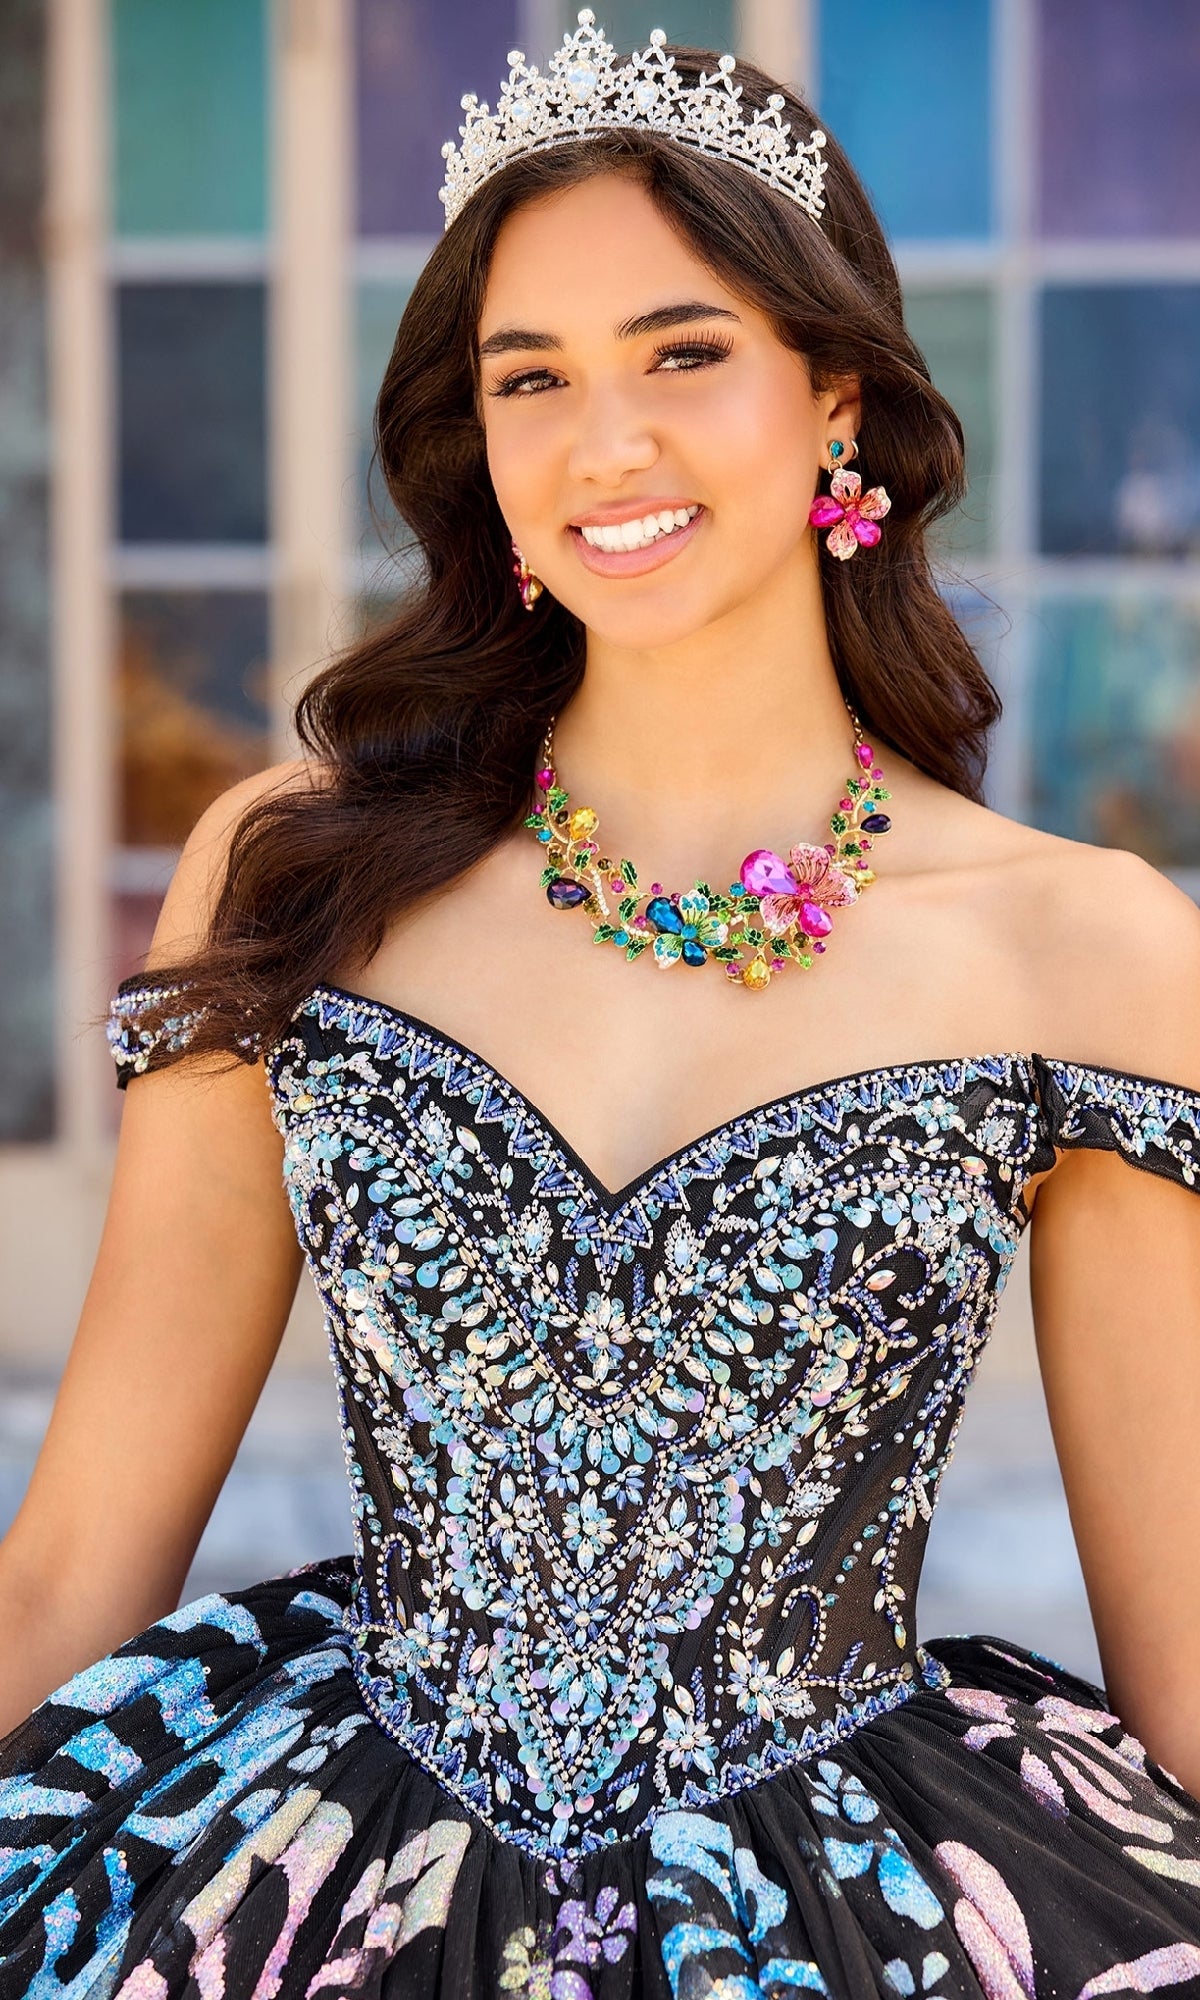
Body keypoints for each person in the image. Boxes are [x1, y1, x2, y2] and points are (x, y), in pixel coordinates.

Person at [2, 13, 1199, 1996]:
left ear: (835, 398)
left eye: (683, 353)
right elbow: (70, 1565)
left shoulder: (1085, 948)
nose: (604, 444)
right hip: (335, 1893)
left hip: (856, 1916)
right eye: (531, 378)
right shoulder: (296, 877)